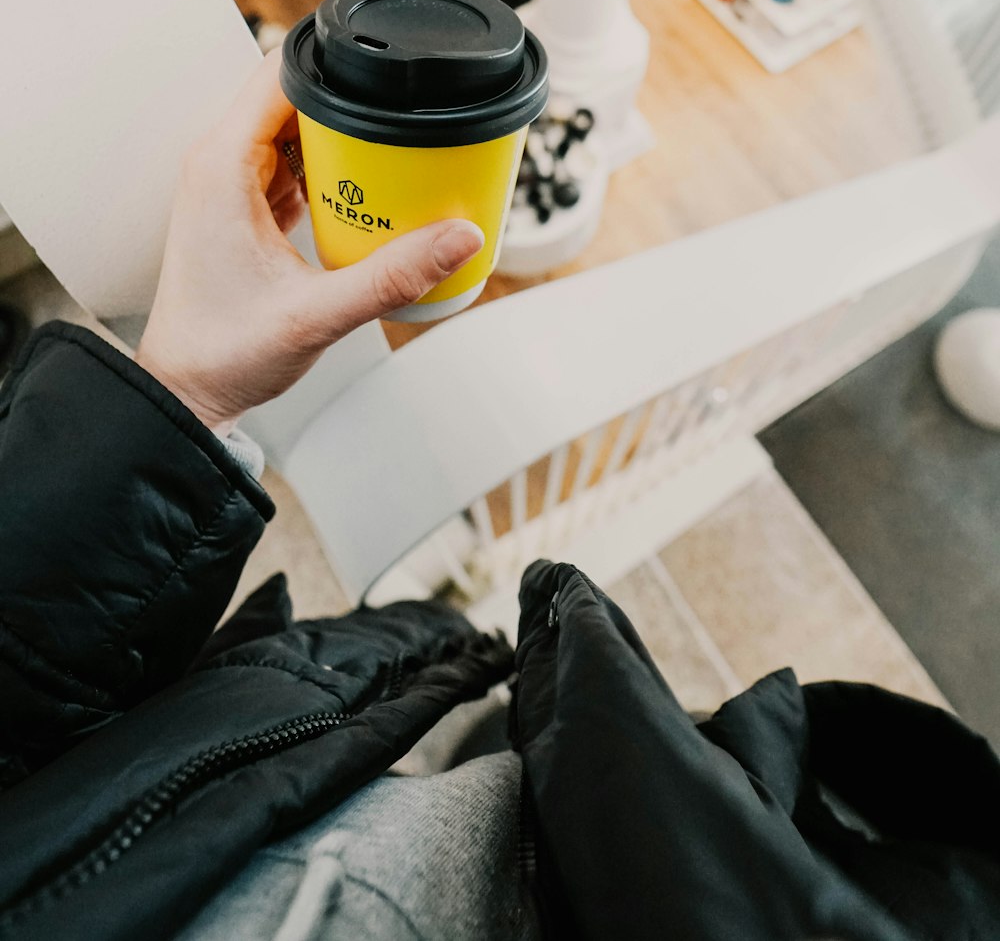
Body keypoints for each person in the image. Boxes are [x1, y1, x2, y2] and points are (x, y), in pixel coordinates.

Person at [2, 54, 999, 941]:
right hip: (678, 860)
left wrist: (181, 387)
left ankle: (504, 769)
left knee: (499, 756)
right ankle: (514, 777)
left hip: (345, 755)